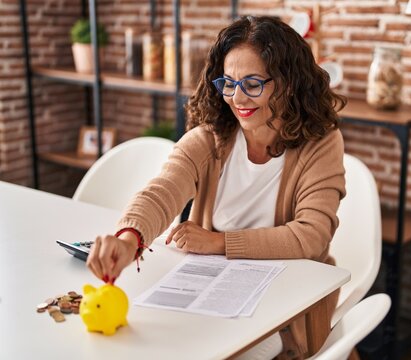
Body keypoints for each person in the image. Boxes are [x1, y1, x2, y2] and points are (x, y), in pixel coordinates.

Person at [86, 15, 347, 359]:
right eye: (228, 82)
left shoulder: (320, 144)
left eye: (253, 84)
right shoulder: (211, 139)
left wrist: (217, 243)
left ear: (289, 82)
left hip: (286, 305)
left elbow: (311, 236)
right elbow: (162, 191)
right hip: (213, 292)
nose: (237, 97)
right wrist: (128, 238)